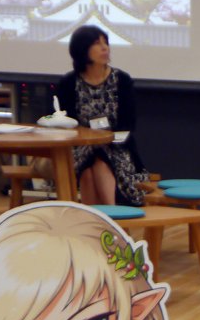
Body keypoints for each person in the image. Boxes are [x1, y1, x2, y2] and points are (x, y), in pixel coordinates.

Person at [56, 25, 149, 206]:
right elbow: (65, 122)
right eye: (97, 44)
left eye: (105, 42)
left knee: (99, 160)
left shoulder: (121, 80)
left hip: (117, 146)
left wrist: (104, 140)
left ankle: (103, 214)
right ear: (82, 49)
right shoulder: (69, 83)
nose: (105, 48)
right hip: (81, 147)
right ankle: (107, 215)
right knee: (89, 165)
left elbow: (128, 123)